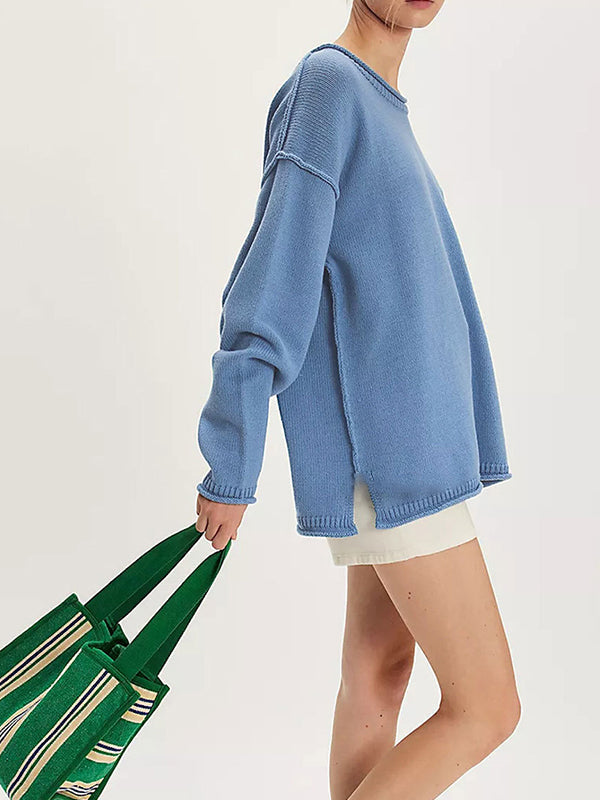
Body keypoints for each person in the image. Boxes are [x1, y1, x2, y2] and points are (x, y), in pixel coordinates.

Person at [195, 1, 520, 798]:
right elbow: (271, 281)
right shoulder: (329, 87)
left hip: (410, 451)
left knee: (380, 670)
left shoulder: (377, 102)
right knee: (488, 708)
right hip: (394, 460)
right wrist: (232, 455)